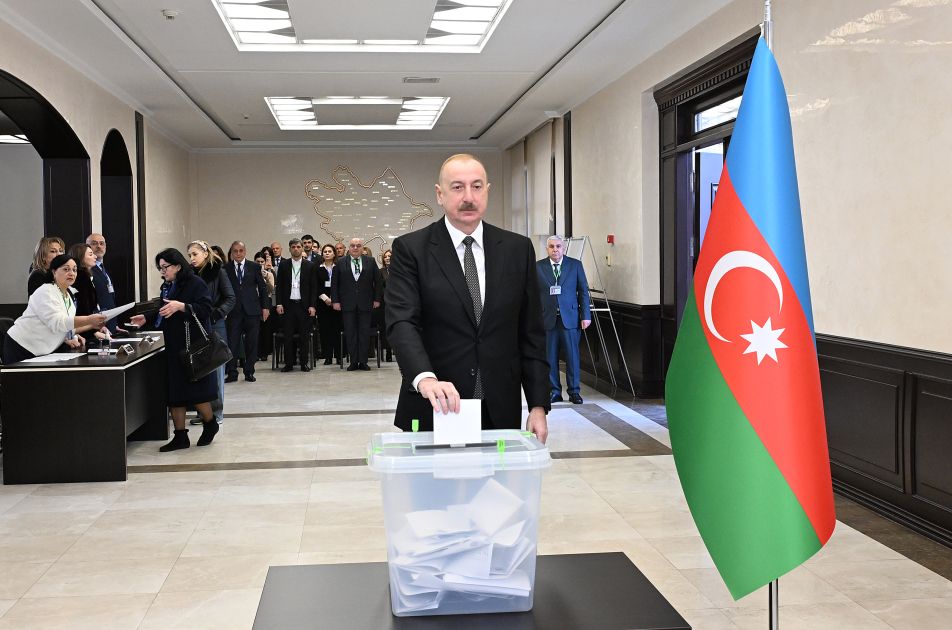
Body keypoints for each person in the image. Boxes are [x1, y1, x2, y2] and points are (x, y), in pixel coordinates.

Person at [386, 154, 549, 441]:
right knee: (436, 487)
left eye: (476, 186)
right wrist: (425, 378)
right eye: (458, 187)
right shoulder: (411, 250)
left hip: (500, 408)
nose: (469, 197)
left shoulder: (517, 250)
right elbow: (402, 322)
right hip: (435, 405)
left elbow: (531, 333)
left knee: (496, 487)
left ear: (488, 189)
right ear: (440, 194)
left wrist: (537, 405)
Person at [130, 248, 220, 451]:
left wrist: (183, 307)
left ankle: (210, 423)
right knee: (174, 392)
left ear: (178, 266)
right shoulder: (167, 286)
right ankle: (180, 436)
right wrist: (147, 318)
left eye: (165, 267)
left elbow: (206, 309)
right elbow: (164, 310)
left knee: (197, 393)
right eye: (160, 268)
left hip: (192, 345)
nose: (163, 272)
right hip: (171, 346)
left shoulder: (196, 283)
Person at [4, 254, 108, 364]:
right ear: (54, 272)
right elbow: (58, 323)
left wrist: (92, 325)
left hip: (41, 349)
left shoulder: (69, 294)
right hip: (21, 345)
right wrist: (89, 319)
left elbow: (67, 328)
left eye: (74, 270)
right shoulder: (46, 291)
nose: (71, 273)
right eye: (66, 269)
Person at [536, 235, 591, 405]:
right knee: (550, 357)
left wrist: (586, 316)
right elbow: (533, 294)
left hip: (571, 319)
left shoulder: (575, 265)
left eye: (558, 246)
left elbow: (583, 291)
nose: (555, 249)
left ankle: (574, 391)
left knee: (572, 357)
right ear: (547, 249)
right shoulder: (538, 267)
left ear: (564, 248)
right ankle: (554, 391)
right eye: (551, 246)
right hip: (548, 319)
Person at [187, 240, 236, 425]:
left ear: (205, 254)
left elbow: (230, 298)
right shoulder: (190, 274)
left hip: (215, 324)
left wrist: (217, 314)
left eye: (195, 254)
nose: (191, 258)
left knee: (215, 369)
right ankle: (204, 412)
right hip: (196, 325)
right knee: (200, 369)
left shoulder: (218, 271)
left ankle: (216, 413)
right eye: (189, 255)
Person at [331, 237, 381, 371]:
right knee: (351, 333)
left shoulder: (370, 261)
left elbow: (378, 282)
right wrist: (335, 301)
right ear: (349, 247)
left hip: (366, 303)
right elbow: (334, 284)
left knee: (364, 334)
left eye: (358, 245)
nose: (355, 248)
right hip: (347, 304)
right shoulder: (340, 262)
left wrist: (377, 299)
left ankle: (363, 362)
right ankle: (353, 362)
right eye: (353, 245)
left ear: (362, 248)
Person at [224, 241, 269, 383]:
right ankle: (232, 372)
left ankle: (249, 371)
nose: (238, 254)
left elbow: (262, 288)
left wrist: (265, 307)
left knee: (252, 342)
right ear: (231, 252)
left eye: (241, 250)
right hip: (233, 311)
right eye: (235, 251)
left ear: (245, 251)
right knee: (232, 342)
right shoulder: (225, 268)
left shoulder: (254, 266)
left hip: (252, 310)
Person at [276, 238, 317, 371]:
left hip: (303, 306)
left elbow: (313, 288)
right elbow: (279, 287)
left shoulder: (309, 265)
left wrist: (312, 305)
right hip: (288, 306)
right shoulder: (283, 265)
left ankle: (304, 363)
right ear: (289, 249)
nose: (296, 249)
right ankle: (289, 364)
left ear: (302, 248)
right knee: (288, 336)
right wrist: (279, 304)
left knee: (304, 336)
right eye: (293, 247)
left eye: (298, 247)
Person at [67, 243, 109, 344]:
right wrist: (93, 331)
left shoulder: (87, 276)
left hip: (85, 329)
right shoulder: (82, 278)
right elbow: (84, 309)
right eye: (90, 254)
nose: (95, 256)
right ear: (80, 258)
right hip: (81, 331)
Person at [86, 233, 119, 333]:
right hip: (98, 326)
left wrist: (115, 324)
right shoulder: (88, 270)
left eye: (102, 243)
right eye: (94, 243)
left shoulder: (103, 268)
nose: (99, 246)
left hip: (109, 324)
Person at [315, 244, 342, 365]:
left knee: (337, 329)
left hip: (338, 304)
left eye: (329, 251)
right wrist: (326, 298)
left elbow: (343, 285)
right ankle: (328, 357)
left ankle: (339, 356)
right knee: (325, 330)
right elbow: (316, 286)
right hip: (323, 304)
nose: (327, 253)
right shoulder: (317, 268)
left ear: (334, 254)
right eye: (325, 251)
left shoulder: (339, 267)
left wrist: (335, 299)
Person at [254, 250, 277, 361]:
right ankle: (256, 351)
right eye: (257, 261)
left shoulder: (269, 274)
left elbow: (271, 290)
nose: (259, 264)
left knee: (266, 329)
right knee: (255, 328)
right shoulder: (250, 273)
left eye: (262, 261)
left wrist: (265, 279)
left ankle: (264, 352)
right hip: (254, 301)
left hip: (266, 301)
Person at [377, 249, 394, 362]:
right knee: (386, 328)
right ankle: (388, 351)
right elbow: (379, 287)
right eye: (385, 256)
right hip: (385, 304)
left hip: (398, 304)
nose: (387, 258)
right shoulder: (380, 271)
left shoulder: (400, 270)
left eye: (389, 256)